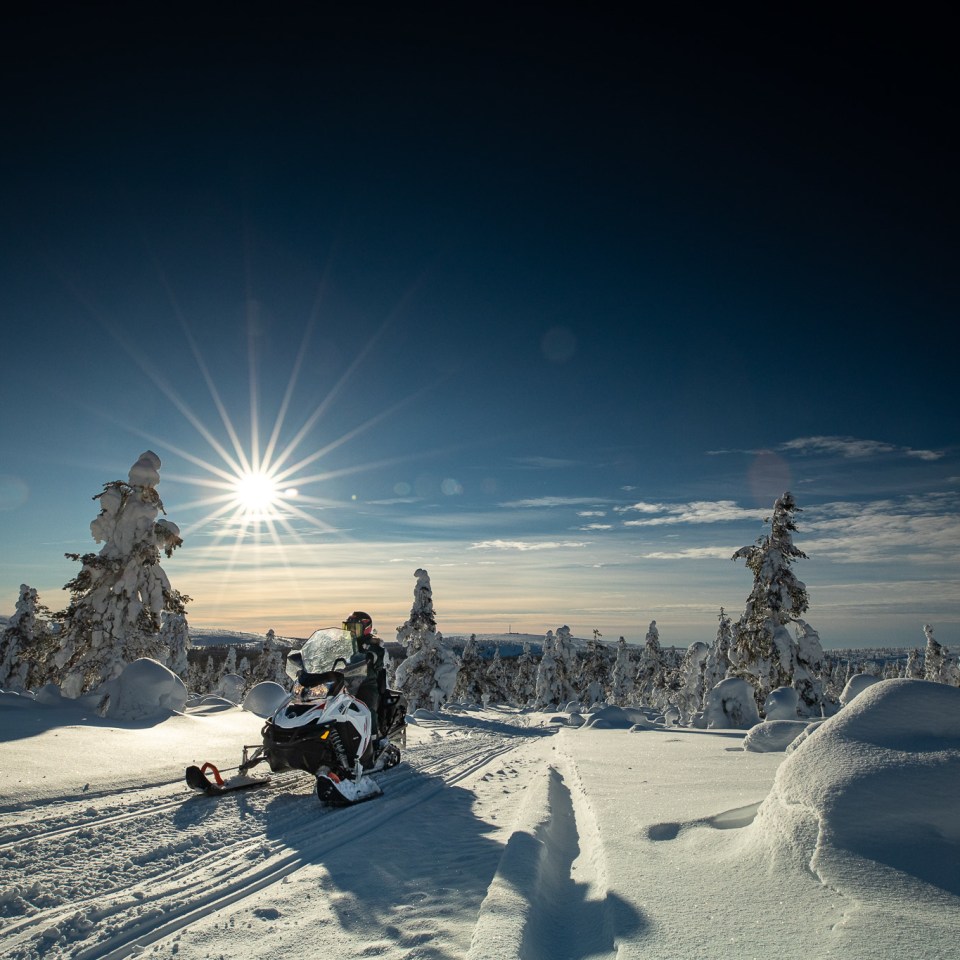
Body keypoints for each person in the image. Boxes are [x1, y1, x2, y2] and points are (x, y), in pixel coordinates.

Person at [342, 611, 384, 739]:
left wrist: (371, 656)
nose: (351, 631)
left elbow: (377, 656)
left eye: (355, 628)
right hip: (345, 681)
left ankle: (374, 739)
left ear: (366, 629)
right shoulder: (344, 644)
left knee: (366, 706)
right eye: (348, 628)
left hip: (366, 683)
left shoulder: (372, 644)